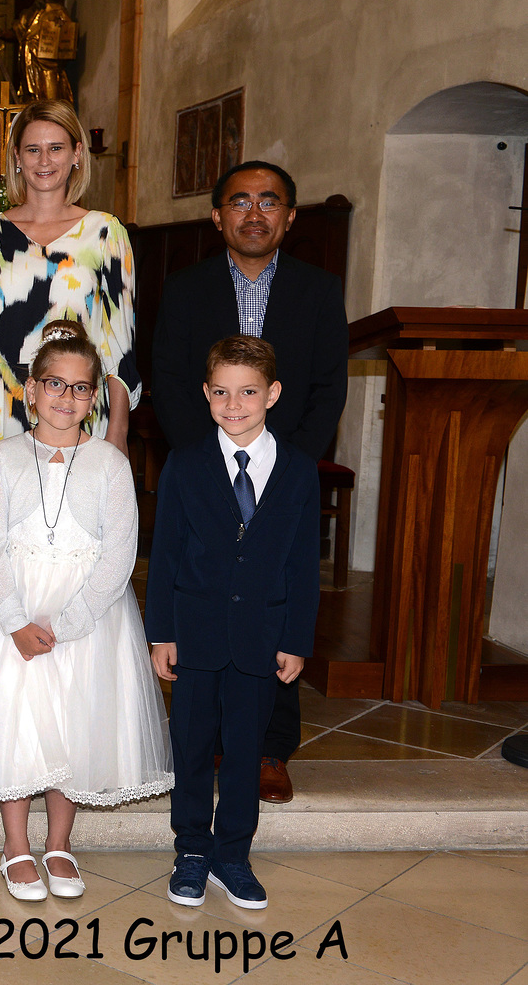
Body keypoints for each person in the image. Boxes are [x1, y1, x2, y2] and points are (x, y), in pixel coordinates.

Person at [0, 322, 172, 902]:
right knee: (16, 724)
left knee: (74, 723)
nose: (66, 397)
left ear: (94, 399)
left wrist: (70, 623)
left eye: (81, 388)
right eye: (55, 384)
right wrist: (15, 620)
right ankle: (15, 845)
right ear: (31, 391)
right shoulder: (3, 459)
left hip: (87, 618)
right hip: (14, 613)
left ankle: (59, 843)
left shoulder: (110, 464)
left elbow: (120, 552)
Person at [151, 160, 349, 805]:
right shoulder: (186, 288)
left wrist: (289, 465)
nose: (254, 213)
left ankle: (270, 749)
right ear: (218, 216)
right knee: (210, 593)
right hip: (207, 471)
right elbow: (169, 378)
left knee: (274, 599)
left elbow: (329, 387)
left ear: (289, 217)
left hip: (282, 472)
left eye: (270, 201)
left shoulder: (319, 289)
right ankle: (208, 739)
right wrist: (204, 461)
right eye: (240, 201)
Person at [146, 335, 320, 911]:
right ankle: (193, 851)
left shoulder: (298, 470)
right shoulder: (185, 463)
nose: (234, 404)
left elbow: (303, 563)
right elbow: (166, 554)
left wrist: (296, 639)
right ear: (205, 393)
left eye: (247, 392)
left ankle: (233, 856)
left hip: (261, 638)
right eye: (221, 392)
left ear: (272, 393)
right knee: (192, 747)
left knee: (246, 751)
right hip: (195, 634)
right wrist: (161, 632)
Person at [0, 99, 138, 486]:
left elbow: (119, 345)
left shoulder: (105, 233)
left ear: (77, 153)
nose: (44, 160)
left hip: (75, 408)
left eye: (56, 148)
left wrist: (118, 430)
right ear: (17, 157)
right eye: (33, 149)